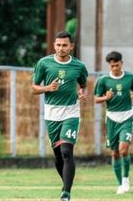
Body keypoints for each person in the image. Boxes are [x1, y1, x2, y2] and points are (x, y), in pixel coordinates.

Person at [31, 31, 88, 201]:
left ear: (71, 46)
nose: (60, 48)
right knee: (57, 155)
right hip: (51, 113)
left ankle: (66, 194)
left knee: (66, 151)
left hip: (71, 112)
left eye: (64, 45)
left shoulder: (79, 66)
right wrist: (47, 88)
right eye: (58, 45)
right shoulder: (44, 63)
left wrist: (82, 93)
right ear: (54, 45)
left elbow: (83, 85)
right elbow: (34, 88)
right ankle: (66, 183)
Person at [94, 51, 133, 195]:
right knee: (115, 153)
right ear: (109, 65)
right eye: (112, 66)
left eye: (117, 65)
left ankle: (126, 178)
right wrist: (105, 97)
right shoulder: (103, 80)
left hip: (127, 117)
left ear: (121, 63)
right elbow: (96, 99)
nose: (114, 68)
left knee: (123, 149)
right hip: (112, 119)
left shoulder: (130, 77)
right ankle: (119, 184)